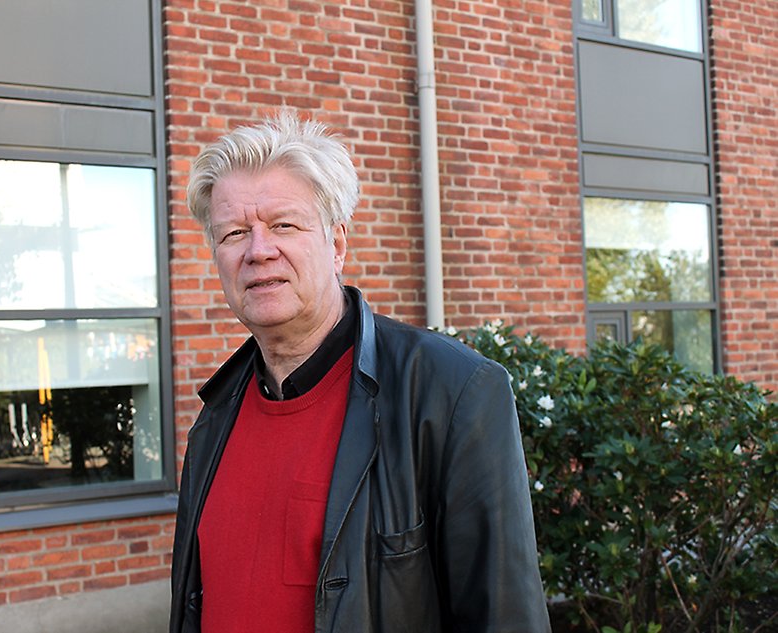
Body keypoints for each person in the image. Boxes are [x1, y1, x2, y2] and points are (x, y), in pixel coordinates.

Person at [169, 111, 551, 633]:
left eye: (284, 224)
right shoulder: (216, 416)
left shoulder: (452, 392)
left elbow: (504, 618)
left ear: (338, 243)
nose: (258, 251)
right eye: (233, 233)